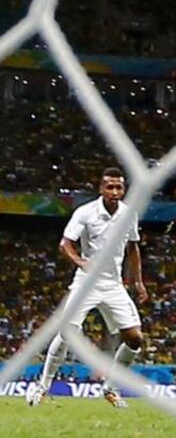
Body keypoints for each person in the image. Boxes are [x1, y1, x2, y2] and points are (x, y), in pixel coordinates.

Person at [27, 167, 147, 408]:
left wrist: (137, 281)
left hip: (113, 284)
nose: (115, 191)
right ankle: (42, 387)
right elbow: (65, 244)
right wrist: (81, 262)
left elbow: (133, 248)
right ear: (101, 189)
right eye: (110, 187)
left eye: (119, 187)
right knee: (67, 333)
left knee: (135, 339)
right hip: (86, 282)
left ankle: (111, 388)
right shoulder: (86, 212)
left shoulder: (128, 214)